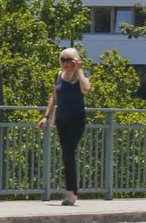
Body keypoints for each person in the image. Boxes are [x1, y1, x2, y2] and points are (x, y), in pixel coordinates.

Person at [38, 47, 90, 205]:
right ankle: (71, 192)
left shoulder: (81, 75)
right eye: (63, 60)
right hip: (62, 120)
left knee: (68, 151)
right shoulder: (59, 76)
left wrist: (80, 68)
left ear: (75, 61)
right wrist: (46, 117)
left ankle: (71, 193)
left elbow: (86, 89)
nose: (66, 63)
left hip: (77, 119)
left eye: (69, 60)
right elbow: (54, 98)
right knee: (66, 155)